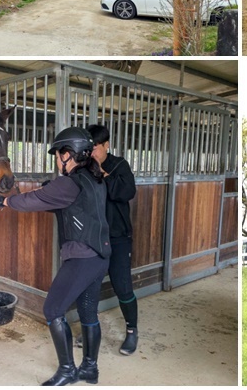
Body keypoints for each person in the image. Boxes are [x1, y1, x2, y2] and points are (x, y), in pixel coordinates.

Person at [0, 127, 110, 385]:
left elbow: (37, 199)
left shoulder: (70, 182)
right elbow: (63, 207)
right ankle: (90, 369)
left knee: (53, 308)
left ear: (70, 154)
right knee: (88, 313)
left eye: (58, 155)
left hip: (82, 257)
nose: (56, 160)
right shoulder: (94, 178)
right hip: (100, 256)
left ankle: (67, 371)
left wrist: (5, 202)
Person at [77, 124, 139, 357]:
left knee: (122, 285)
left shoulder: (119, 165)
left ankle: (132, 331)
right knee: (87, 285)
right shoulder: (83, 167)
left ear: (106, 145)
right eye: (88, 148)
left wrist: (102, 173)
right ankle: (89, 329)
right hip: (93, 237)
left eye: (95, 148)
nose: (91, 153)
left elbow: (125, 192)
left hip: (119, 237)